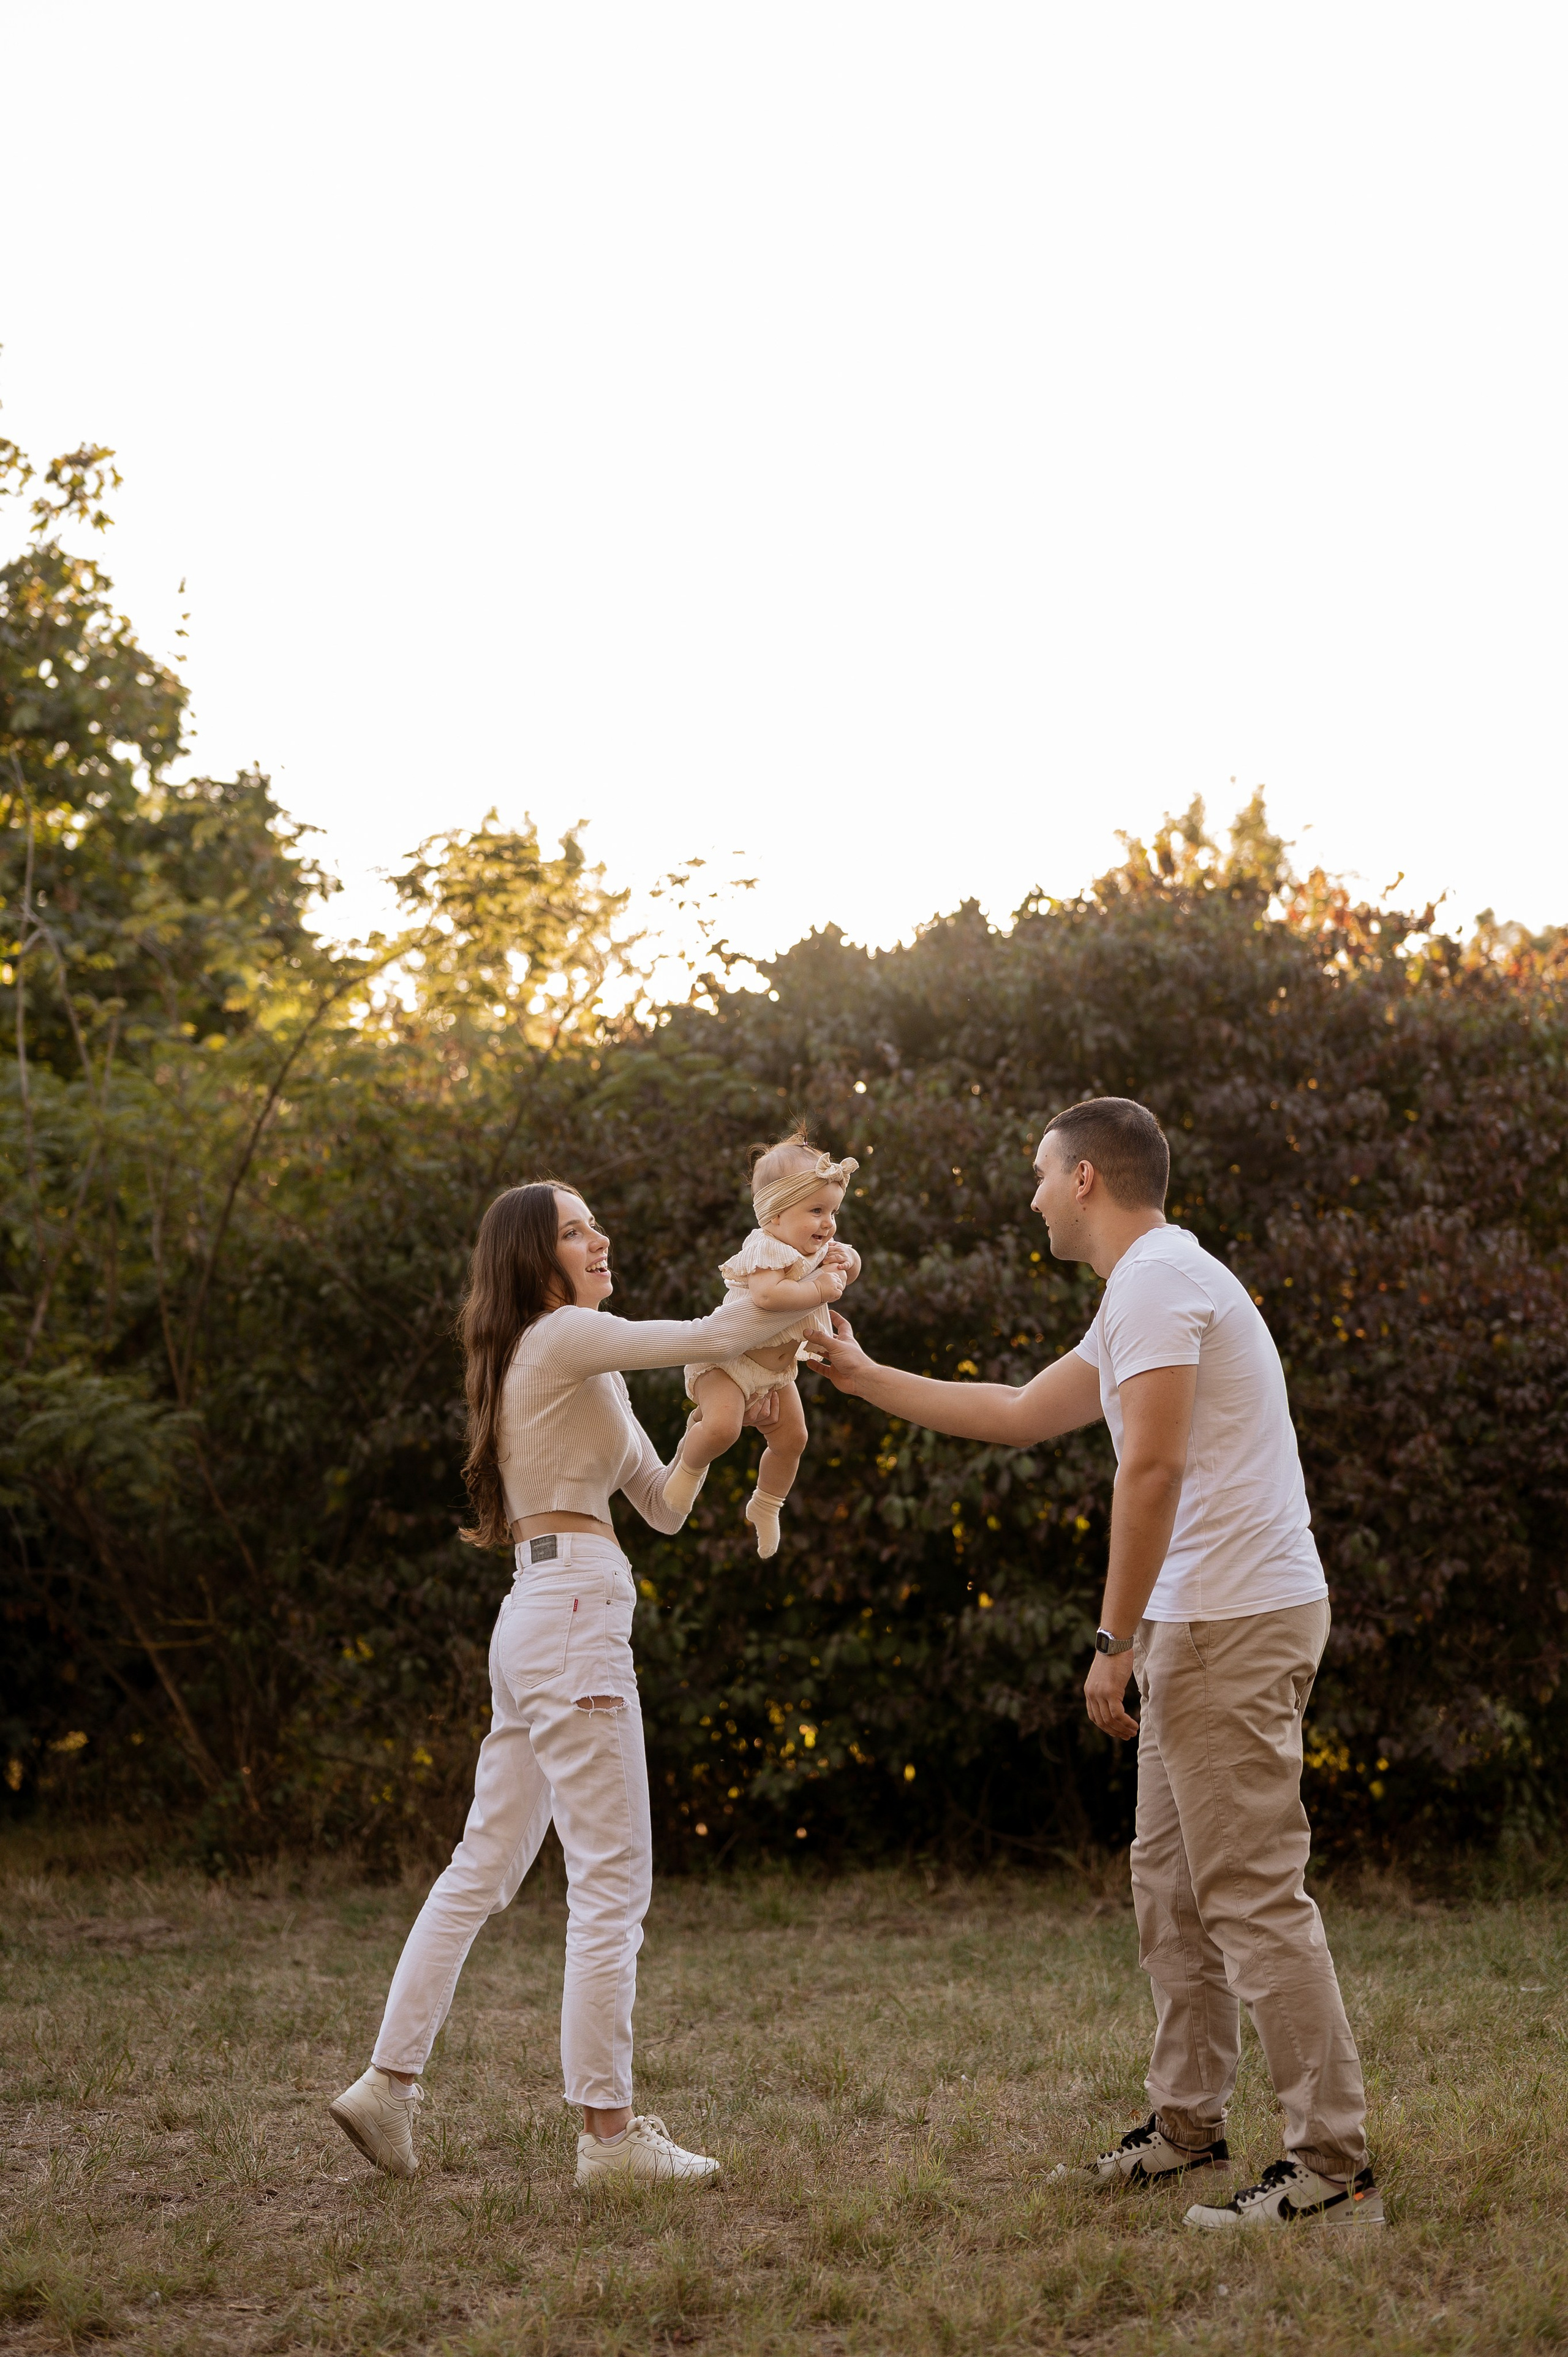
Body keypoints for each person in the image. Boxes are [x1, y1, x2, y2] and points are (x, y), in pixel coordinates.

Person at [813, 1096, 1382, 2230]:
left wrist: (1112, 1641)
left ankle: (1331, 2165)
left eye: (1039, 1173)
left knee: (1251, 1894)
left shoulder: (1162, 1279)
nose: (1029, 1195)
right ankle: (1187, 2127)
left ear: (1085, 1178)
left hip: (1230, 1620)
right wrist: (860, 1371)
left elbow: (1155, 1465)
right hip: (1195, 1621)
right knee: (1171, 1887)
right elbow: (1023, 1412)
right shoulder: (1141, 1291)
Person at [329, 1178, 837, 2190]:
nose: (600, 1237)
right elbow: (718, 1323)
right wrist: (816, 1274)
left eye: (596, 1220)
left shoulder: (577, 1359)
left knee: (484, 1865)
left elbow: (660, 1504)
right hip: (570, 1617)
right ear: (536, 1258)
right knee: (611, 1880)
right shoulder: (558, 1335)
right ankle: (608, 2136)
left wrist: (712, 1442)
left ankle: (388, 2087)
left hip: (546, 1607)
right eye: (574, 1228)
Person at [661, 1131, 861, 1558]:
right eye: (817, 1211)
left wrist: (850, 1263)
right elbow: (770, 1297)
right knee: (722, 1427)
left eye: (834, 1211)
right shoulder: (764, 1248)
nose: (829, 1223)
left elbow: (845, 1268)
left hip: (774, 1374)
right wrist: (821, 1290)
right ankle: (688, 1472)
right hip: (727, 1366)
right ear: (774, 1218)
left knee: (794, 1439)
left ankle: (766, 1506)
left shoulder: (818, 1248)